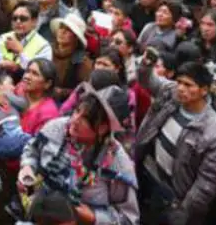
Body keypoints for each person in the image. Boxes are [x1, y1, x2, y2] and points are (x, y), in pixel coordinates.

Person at [19, 85, 139, 224]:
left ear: (102, 128)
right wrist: (27, 168)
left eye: (86, 119)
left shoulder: (117, 163)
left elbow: (129, 219)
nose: (75, 119)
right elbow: (32, 149)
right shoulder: (57, 127)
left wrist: (94, 217)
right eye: (76, 111)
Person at [136, 60, 216, 225]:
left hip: (171, 199)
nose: (181, 88)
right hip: (145, 175)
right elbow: (147, 80)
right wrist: (146, 64)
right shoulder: (171, 95)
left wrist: (182, 212)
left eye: (188, 85)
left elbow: (207, 185)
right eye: (179, 82)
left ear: (204, 91)